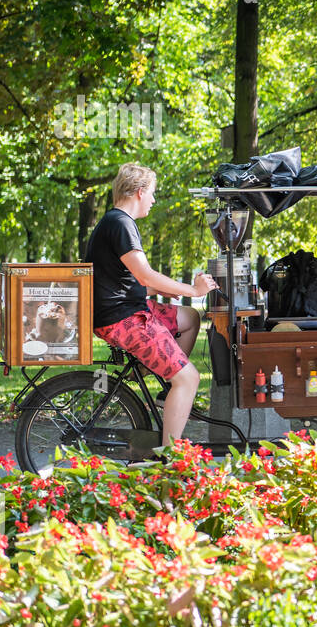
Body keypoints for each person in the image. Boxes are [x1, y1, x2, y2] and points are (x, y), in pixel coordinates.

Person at [84, 163, 218, 449]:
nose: (154, 200)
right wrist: (194, 290)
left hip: (132, 308)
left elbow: (137, 282)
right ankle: (169, 457)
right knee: (190, 378)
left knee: (190, 318)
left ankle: (168, 384)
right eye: (152, 194)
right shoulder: (120, 224)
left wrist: (180, 292)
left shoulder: (116, 222)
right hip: (124, 318)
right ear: (140, 192)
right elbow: (145, 275)